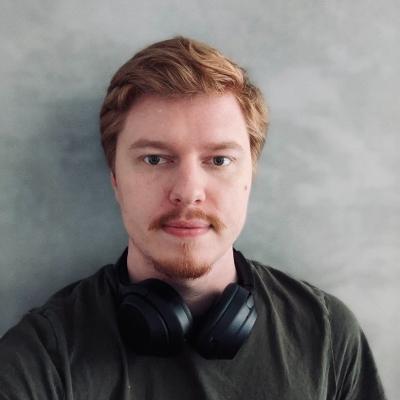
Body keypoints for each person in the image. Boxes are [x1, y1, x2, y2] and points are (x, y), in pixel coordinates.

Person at [0, 36, 386, 400]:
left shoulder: (328, 336)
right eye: (154, 159)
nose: (188, 191)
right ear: (115, 179)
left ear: (250, 176)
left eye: (219, 160)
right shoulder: (40, 359)